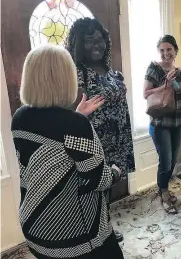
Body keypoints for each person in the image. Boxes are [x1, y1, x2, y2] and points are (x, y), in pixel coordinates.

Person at [11, 44, 124, 259]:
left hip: (34, 229)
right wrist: (115, 171)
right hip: (76, 237)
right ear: (65, 79)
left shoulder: (19, 117)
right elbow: (97, 180)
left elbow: (52, 142)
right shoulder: (74, 125)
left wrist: (77, 115)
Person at [65, 18, 135, 242]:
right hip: (96, 144)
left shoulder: (107, 68)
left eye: (100, 39)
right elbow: (71, 111)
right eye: (89, 41)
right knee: (95, 191)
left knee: (108, 188)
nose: (97, 44)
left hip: (117, 139)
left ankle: (104, 228)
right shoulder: (78, 73)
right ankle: (96, 234)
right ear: (78, 44)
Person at [143, 35, 181, 214]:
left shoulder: (180, 72)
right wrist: (165, 84)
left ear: (175, 50)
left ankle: (163, 188)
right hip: (160, 123)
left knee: (173, 160)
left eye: (169, 49)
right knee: (165, 160)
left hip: (176, 122)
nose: (165, 53)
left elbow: (180, 99)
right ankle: (164, 193)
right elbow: (145, 93)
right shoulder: (154, 69)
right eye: (162, 50)